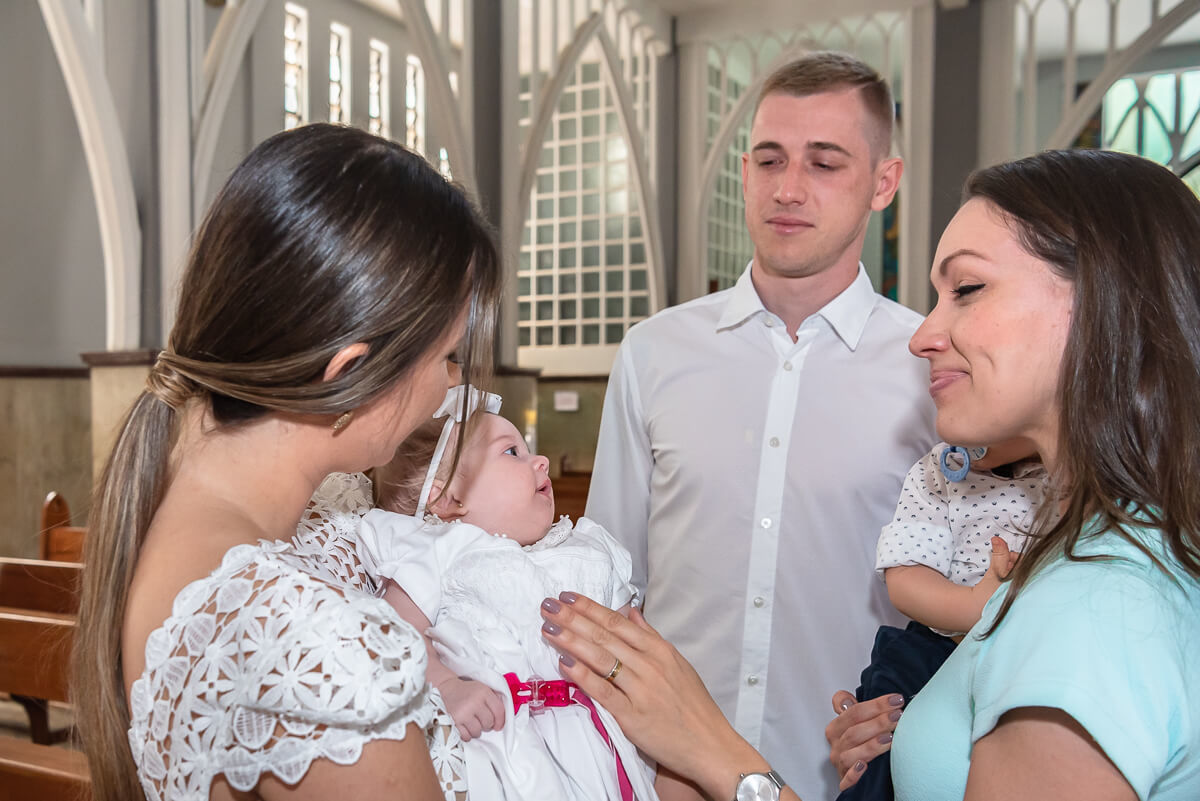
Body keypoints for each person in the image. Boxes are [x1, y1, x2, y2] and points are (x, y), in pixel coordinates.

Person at [541, 149, 1200, 801]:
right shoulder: (1105, 553)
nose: (923, 335)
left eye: (967, 289)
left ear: (1105, 304)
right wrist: (914, 745)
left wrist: (712, 750)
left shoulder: (1099, 605)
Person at [72, 123, 502, 801]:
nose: (450, 386)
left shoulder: (176, 503)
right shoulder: (313, 640)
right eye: (447, 357)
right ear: (350, 376)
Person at [585, 51, 936, 799]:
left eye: (825, 163)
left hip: (842, 781)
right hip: (659, 778)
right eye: (770, 159)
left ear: (884, 183)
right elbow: (608, 580)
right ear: (744, 173)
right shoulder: (654, 352)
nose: (788, 188)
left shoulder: (929, 370)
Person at [357, 387, 657, 801]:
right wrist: (447, 685)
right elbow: (394, 631)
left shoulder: (589, 549)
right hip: (502, 744)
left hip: (603, 746)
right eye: (511, 452)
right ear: (448, 499)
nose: (541, 460)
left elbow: (632, 645)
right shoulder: (442, 552)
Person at [842, 438, 1045, 800]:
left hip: (1031, 663)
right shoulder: (940, 468)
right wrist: (977, 606)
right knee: (880, 749)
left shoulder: (1084, 477)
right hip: (936, 649)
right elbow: (906, 577)